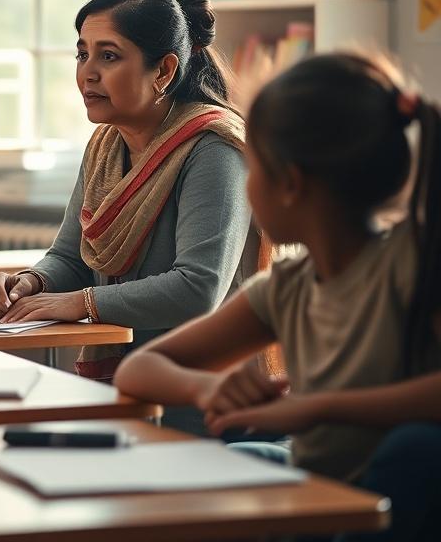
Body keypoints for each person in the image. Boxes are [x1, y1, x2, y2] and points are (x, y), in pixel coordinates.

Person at [114, 53, 441, 540]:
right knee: (214, 467)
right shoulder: (286, 287)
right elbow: (138, 370)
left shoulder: (412, 263)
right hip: (317, 480)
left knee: (417, 450)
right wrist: (209, 388)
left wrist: (316, 406)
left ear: (289, 182)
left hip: (389, 496)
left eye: (253, 167)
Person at [0, 0, 262, 387]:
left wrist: (80, 303)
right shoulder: (106, 145)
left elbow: (199, 288)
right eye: (82, 54)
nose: (87, 73)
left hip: (207, 388)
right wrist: (30, 283)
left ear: (163, 71)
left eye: (108, 56)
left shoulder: (214, 148)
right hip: (127, 376)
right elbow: (72, 258)